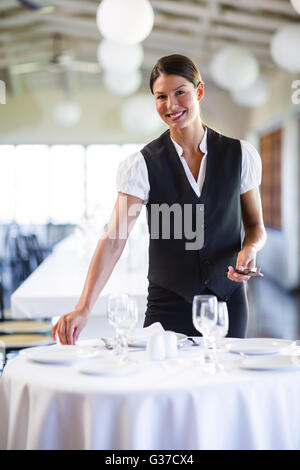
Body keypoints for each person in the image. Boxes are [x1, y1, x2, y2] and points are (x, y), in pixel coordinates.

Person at [52, 54, 267, 345]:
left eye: (181, 93)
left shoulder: (240, 155)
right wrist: (83, 308)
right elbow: (114, 239)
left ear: (199, 91)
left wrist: (249, 248)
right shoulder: (141, 165)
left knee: (221, 383)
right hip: (169, 305)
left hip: (226, 305)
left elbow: (255, 225)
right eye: (161, 96)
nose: (171, 105)